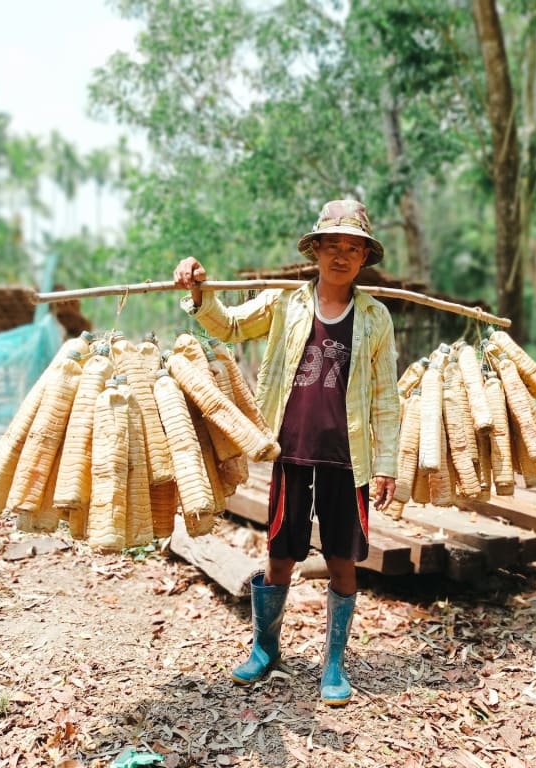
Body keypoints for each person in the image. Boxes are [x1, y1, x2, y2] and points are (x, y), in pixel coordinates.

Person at [173, 199, 400, 706]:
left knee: (343, 560)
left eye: (352, 248)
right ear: (315, 250)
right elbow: (228, 325)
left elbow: (386, 396)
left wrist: (386, 465)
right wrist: (199, 291)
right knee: (280, 555)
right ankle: (265, 647)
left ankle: (335, 663)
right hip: (290, 452)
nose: (341, 256)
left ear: (364, 258)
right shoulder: (286, 303)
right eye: (333, 246)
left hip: (348, 458)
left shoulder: (374, 318)